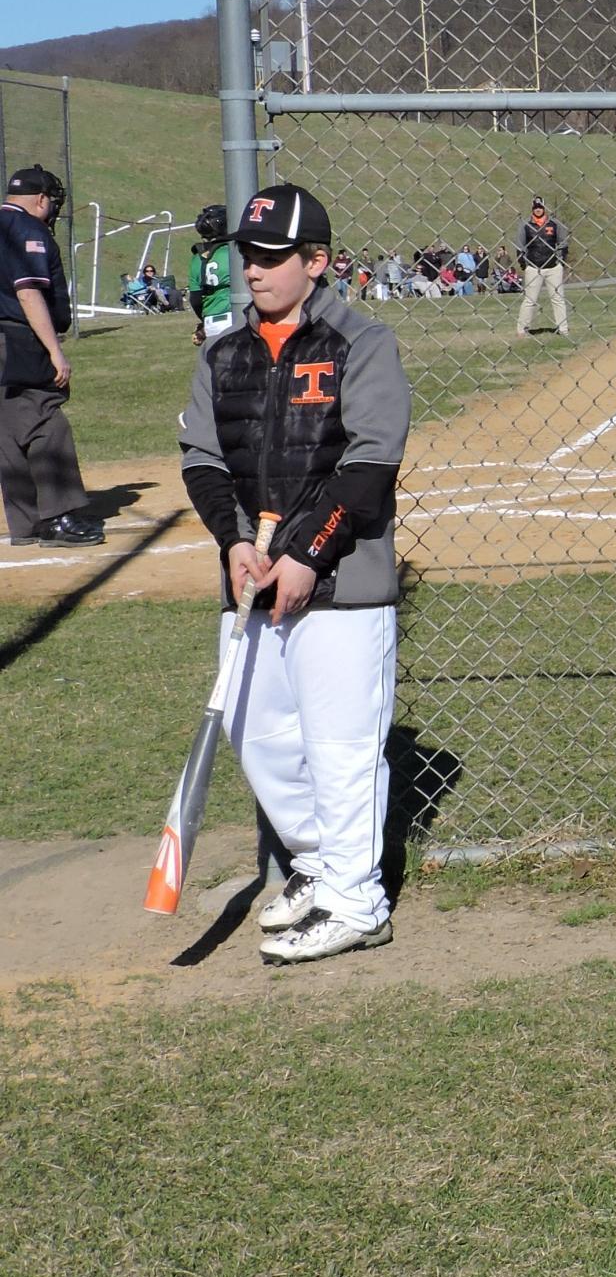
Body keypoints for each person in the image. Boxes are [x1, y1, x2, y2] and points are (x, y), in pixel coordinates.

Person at [179, 183, 411, 963]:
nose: (254, 270)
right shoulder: (223, 352)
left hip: (345, 583)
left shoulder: (363, 342)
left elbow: (371, 463)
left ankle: (357, 900)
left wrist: (309, 554)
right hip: (248, 581)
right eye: (249, 254)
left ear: (316, 262)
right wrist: (233, 543)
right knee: (258, 733)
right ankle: (317, 863)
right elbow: (204, 459)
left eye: (274, 257)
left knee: (342, 745)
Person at [0, 165, 99, 547]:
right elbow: (28, 292)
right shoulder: (26, 229)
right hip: (19, 340)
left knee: (8, 431)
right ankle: (58, 518)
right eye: (52, 202)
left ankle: (26, 524)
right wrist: (55, 351)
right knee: (46, 422)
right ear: (41, 200)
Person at [515, 196, 570, 333]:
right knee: (530, 300)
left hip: (553, 267)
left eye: (540, 207)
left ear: (544, 208)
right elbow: (520, 246)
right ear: (532, 208)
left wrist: (561, 261)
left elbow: (563, 243)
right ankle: (522, 329)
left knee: (558, 299)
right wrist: (524, 264)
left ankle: (563, 328)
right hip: (534, 267)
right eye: (535, 208)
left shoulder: (554, 224)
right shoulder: (525, 225)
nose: (538, 210)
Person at [187, 204, 236, 343]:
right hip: (235, 317)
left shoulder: (197, 257)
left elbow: (195, 299)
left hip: (211, 323)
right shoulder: (232, 252)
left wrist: (204, 321)